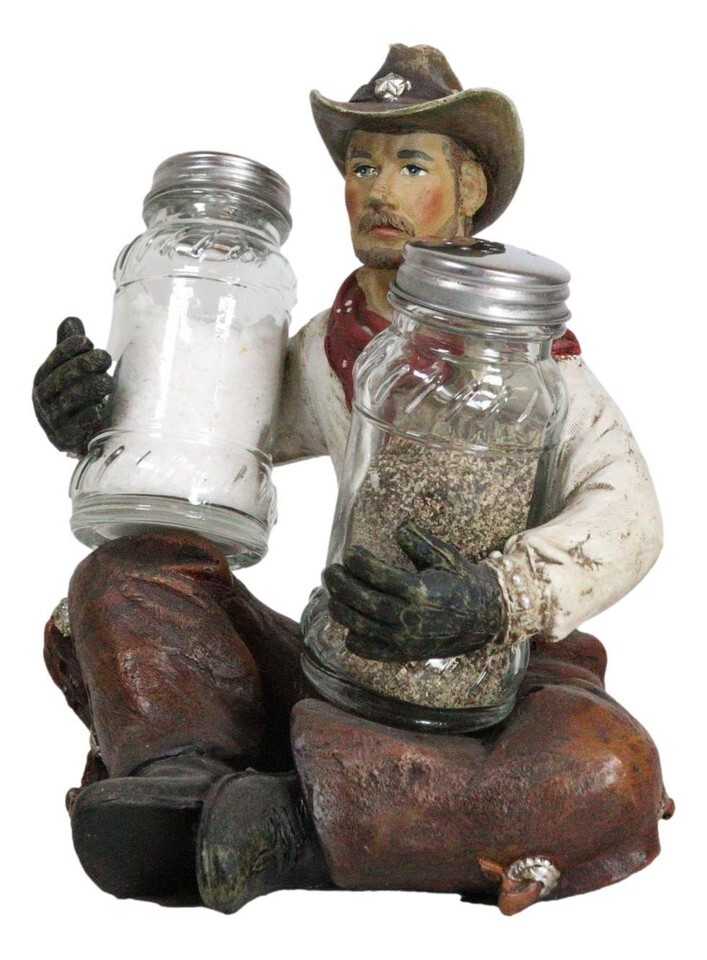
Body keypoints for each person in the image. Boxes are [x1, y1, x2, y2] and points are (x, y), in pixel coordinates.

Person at [35, 44, 671, 916]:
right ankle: (185, 774)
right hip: (345, 648)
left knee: (604, 769)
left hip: (487, 677)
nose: (377, 190)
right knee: (125, 575)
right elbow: (212, 425)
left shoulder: (536, 366)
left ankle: (288, 830)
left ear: (470, 189)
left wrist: (492, 598)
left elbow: (627, 515)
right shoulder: (331, 344)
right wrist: (101, 416)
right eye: (361, 167)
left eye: (410, 165)